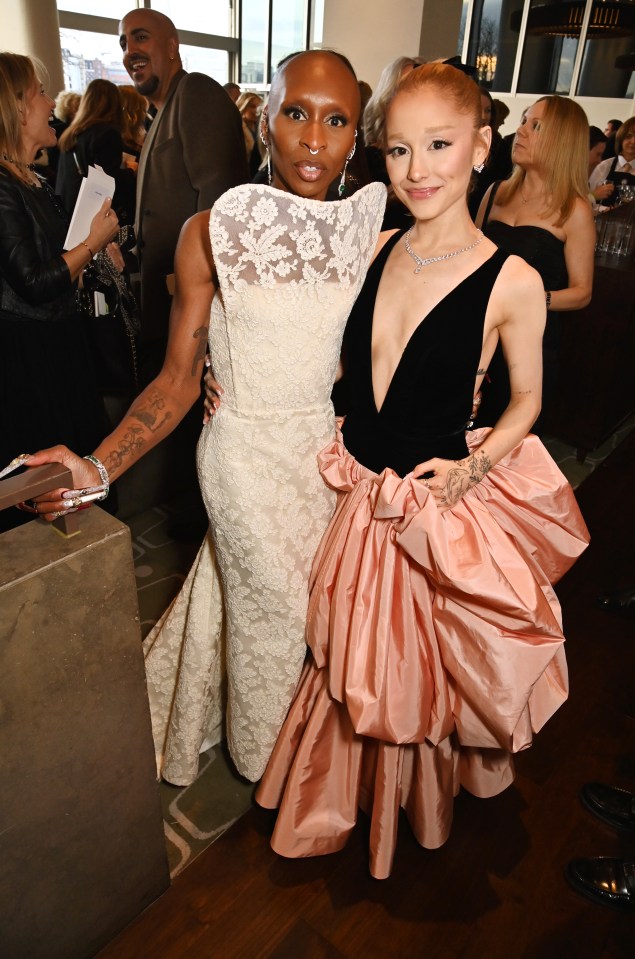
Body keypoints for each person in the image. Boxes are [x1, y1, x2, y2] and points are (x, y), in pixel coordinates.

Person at [255, 61, 589, 879]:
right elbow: (313, 356)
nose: (416, 170)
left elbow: (527, 402)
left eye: (438, 145)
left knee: (413, 676)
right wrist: (238, 376)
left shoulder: (513, 277)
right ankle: (341, 796)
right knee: (344, 664)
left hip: (431, 506)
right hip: (358, 490)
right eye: (398, 150)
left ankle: (415, 808)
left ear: (481, 146)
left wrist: (474, 468)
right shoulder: (373, 246)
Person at [24, 50, 386, 785]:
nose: (313, 138)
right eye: (295, 113)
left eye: (335, 120)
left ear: (355, 135)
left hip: (321, 459)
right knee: (287, 618)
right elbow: (176, 382)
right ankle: (278, 772)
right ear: (262, 122)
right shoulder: (208, 233)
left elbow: (346, 356)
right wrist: (94, 469)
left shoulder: (366, 231)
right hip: (242, 462)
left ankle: (227, 723)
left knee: (287, 607)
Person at [0, 53, 119, 533]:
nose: (51, 102)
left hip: (56, 345)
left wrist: (101, 246)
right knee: (51, 477)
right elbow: (35, 281)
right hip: (32, 358)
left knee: (76, 461)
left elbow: (57, 257)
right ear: (15, 108)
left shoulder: (27, 178)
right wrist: (93, 243)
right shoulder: (3, 186)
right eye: (40, 93)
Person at [118, 8, 248, 375]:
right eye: (124, 42)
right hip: (169, 308)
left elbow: (219, 207)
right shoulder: (164, 108)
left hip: (190, 314)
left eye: (141, 37)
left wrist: (192, 297)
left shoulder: (196, 92)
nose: (130, 51)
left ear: (173, 46)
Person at [475, 95, 595, 431]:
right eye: (524, 120)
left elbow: (582, 292)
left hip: (531, 345)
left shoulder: (574, 210)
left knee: (510, 447)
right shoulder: (495, 192)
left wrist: (532, 299)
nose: (521, 131)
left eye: (535, 125)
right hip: (479, 334)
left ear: (562, 142)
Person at [55, 79, 135, 225]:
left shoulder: (72, 133)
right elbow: (108, 181)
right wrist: (132, 172)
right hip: (92, 218)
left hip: (69, 209)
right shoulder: (107, 133)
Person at [589, 116, 635, 208]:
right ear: (621, 138)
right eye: (628, 136)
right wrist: (603, 209)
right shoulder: (603, 166)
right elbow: (588, 198)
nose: (633, 141)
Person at [235, 90, 263, 177]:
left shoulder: (259, 128)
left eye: (258, 107)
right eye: (252, 106)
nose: (256, 110)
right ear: (243, 107)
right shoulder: (237, 129)